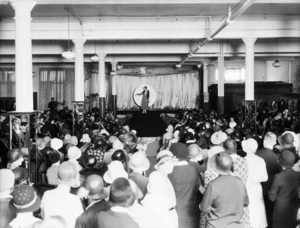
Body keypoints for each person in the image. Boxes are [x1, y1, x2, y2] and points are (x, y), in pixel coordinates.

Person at [200, 152, 249, 228]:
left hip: (216, 225)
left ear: (216, 166)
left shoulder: (213, 185)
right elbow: (246, 202)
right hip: (236, 225)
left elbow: (204, 208)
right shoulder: (239, 181)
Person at [41, 161, 84, 228]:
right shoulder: (74, 199)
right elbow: (81, 222)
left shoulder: (46, 194)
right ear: (74, 177)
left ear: (58, 176)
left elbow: (43, 215)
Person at [256, 132, 282, 228]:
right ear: (274, 142)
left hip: (258, 187)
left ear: (264, 141)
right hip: (271, 188)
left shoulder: (256, 154)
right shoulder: (276, 157)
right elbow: (280, 173)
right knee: (269, 212)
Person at [269, 150, 300, 228]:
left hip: (280, 213)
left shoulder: (278, 177)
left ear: (280, 161)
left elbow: (272, 197)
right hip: (294, 210)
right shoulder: (298, 175)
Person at [243, 138, 268, 228]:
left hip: (246, 188)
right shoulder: (260, 160)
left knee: (248, 209)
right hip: (257, 188)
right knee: (258, 210)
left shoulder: (243, 161)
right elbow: (265, 178)